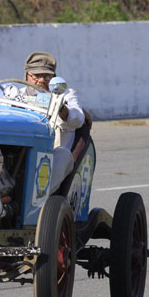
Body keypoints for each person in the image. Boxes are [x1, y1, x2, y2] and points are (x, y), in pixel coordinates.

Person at [24, 51, 85, 192]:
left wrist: (62, 109)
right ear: (27, 75)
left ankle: (37, 198)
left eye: (47, 76)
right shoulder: (15, 94)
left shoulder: (66, 95)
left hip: (52, 157)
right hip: (23, 153)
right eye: (36, 76)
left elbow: (78, 118)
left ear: (54, 78)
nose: (41, 80)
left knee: (63, 155)